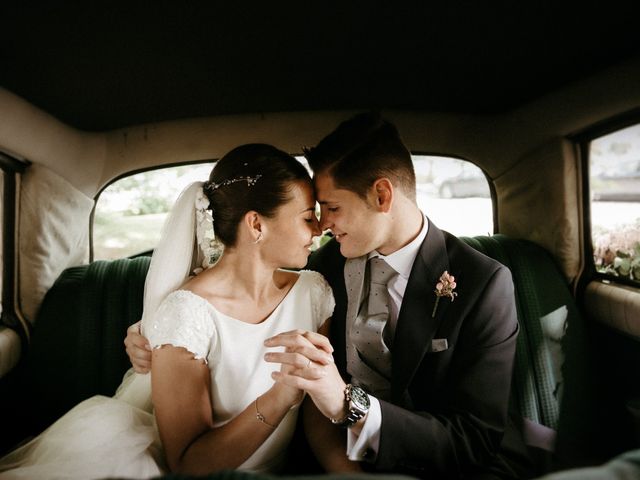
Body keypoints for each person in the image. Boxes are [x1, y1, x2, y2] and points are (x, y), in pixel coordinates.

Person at [126, 114, 539, 479]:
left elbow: (473, 440)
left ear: (382, 196)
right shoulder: (322, 268)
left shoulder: (482, 283)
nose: (322, 225)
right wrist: (153, 336)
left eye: (331, 207)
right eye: (313, 213)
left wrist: (350, 406)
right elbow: (233, 288)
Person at [0, 144, 336, 479]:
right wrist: (279, 398)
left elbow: (320, 421)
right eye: (308, 217)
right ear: (256, 225)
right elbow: (188, 466)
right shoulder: (186, 313)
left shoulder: (313, 292)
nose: (320, 229)